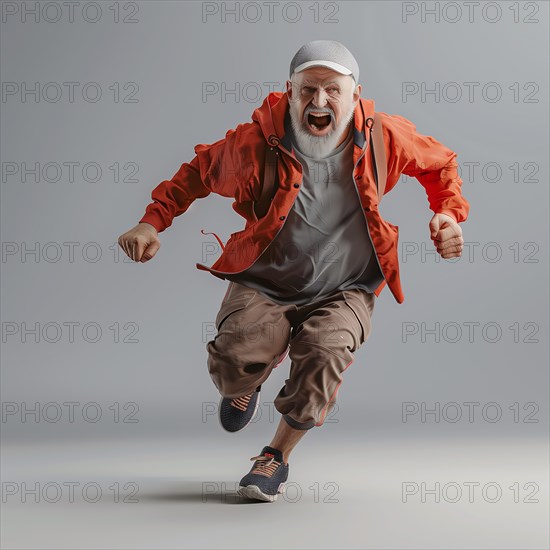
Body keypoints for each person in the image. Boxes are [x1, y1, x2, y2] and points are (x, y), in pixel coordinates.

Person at [118, 40, 470, 502]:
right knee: (231, 362)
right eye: (308, 90)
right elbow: (197, 173)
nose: (319, 102)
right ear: (289, 90)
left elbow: (441, 163)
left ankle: (275, 457)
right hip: (267, 279)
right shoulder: (256, 142)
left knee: (325, 355)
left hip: (346, 287)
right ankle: (247, 378)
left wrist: (448, 213)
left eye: (332, 91)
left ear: (355, 94)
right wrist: (151, 221)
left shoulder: (385, 136)